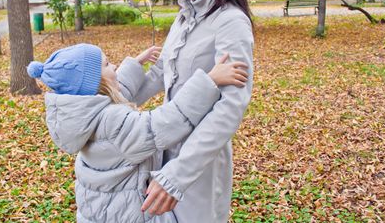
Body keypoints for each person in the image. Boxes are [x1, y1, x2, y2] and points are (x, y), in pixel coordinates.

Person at [117, 0, 254, 222]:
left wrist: (178, 174)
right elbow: (159, 75)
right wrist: (109, 93)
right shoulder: (183, 18)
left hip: (200, 167)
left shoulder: (230, 22)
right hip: (164, 148)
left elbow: (231, 106)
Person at [27, 43, 249, 223]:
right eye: (107, 64)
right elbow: (159, 126)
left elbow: (117, 91)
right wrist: (208, 81)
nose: (113, 67)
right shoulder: (111, 122)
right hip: (125, 214)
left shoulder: (84, 115)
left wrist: (136, 63)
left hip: (100, 213)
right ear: (96, 83)